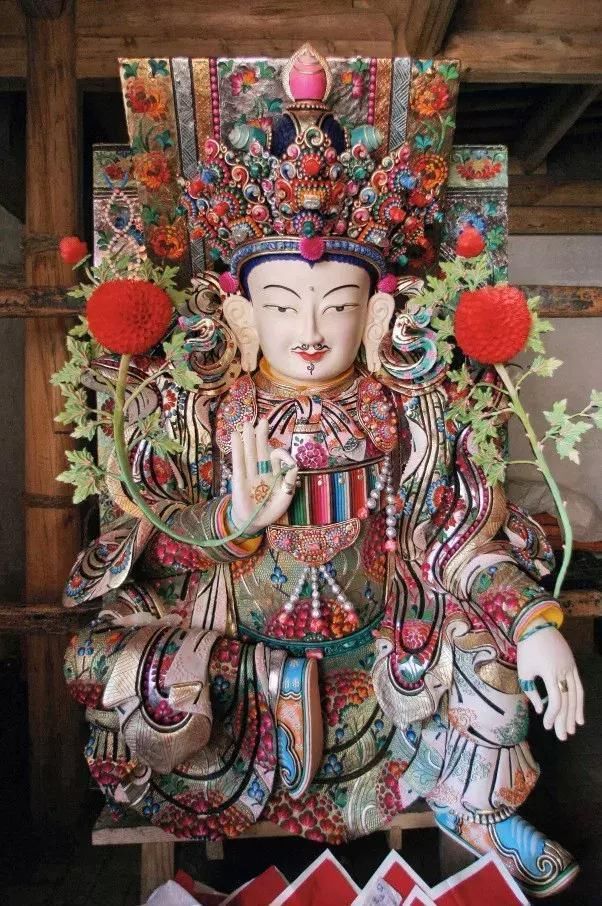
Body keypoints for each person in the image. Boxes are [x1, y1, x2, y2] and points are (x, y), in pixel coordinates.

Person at [63, 46, 583, 898]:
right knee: (98, 659)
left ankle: (479, 808)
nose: (309, 331)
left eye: (337, 306)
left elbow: (452, 540)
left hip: (385, 649)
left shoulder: (415, 410)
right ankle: (255, 762)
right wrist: (231, 522)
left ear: (375, 314)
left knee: (490, 663)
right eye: (282, 306)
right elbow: (155, 549)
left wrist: (532, 620)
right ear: (242, 315)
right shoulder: (197, 410)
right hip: (239, 652)